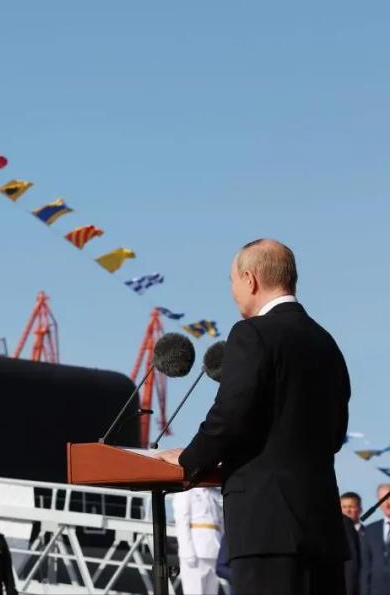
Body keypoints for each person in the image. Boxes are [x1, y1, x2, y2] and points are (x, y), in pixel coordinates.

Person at [156, 239, 350, 594]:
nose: (232, 291)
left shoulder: (252, 333)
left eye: (231, 281)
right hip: (322, 530)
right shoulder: (326, 342)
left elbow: (231, 414)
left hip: (267, 528)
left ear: (250, 279)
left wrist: (188, 461)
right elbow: (336, 433)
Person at [172, 486, 223, 594]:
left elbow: (219, 522)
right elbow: (182, 522)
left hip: (214, 550)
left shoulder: (212, 493)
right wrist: (187, 551)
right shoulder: (186, 492)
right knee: (195, 591)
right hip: (196, 550)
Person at [361, 483, 390, 595]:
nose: (387, 503)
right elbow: (365, 567)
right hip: (376, 590)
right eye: (383, 499)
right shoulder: (370, 530)